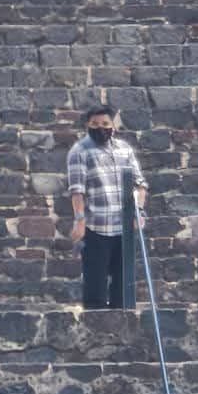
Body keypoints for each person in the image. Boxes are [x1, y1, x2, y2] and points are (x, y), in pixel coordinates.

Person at [67, 105, 148, 309]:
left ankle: (123, 331)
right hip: (97, 227)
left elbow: (140, 184)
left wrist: (139, 210)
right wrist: (79, 220)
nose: (100, 128)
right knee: (96, 286)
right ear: (87, 125)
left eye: (105, 124)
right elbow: (77, 190)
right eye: (95, 124)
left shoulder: (124, 149)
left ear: (113, 126)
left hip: (124, 228)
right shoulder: (80, 151)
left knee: (123, 286)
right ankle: (97, 333)